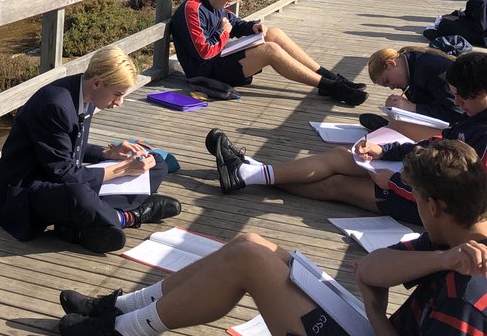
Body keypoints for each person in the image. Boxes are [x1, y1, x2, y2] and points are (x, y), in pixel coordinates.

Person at [58, 138, 487, 336]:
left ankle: (125, 334)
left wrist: (376, 315)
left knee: (249, 260)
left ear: (435, 205)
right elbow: (370, 270)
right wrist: (442, 257)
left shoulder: (468, 292)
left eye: (416, 199)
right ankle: (123, 310)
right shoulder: (455, 246)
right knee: (253, 242)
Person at [206, 52, 487, 226]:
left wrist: (395, 182)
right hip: (420, 177)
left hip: (433, 206)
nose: (458, 102)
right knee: (343, 156)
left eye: (464, 96)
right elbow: (434, 146)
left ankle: (250, 171)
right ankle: (250, 172)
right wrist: (384, 149)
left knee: (339, 185)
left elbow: (467, 198)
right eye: (455, 94)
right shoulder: (472, 115)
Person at [0, 45, 181, 254]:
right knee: (78, 192)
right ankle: (129, 216)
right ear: (97, 83)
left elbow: (65, 149)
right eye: (117, 94)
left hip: (58, 177)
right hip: (25, 191)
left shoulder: (85, 96)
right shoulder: (55, 105)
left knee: (156, 163)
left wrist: (108, 154)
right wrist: (124, 169)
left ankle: (84, 223)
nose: (120, 102)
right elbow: (64, 173)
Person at [169, 0, 366, 106]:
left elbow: (234, 23)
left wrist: (253, 26)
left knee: (273, 33)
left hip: (218, 59)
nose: (229, 3)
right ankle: (332, 87)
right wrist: (224, 33)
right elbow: (203, 52)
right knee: (270, 51)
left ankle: (330, 77)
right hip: (203, 72)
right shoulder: (192, 9)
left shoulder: (215, 5)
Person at [359, 44, 461, 137]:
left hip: (463, 127)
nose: (391, 87)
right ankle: (395, 129)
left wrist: (412, 107)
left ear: (391, 63)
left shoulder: (432, 70)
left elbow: (456, 113)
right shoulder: (409, 70)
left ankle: (395, 129)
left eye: (387, 81)